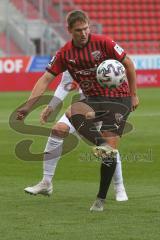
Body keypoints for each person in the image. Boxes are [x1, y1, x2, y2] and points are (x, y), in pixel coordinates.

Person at [17, 10, 139, 211]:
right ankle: (47, 181)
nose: (83, 33)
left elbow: (128, 64)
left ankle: (103, 197)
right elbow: (47, 79)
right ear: (69, 31)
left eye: (85, 28)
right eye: (78, 30)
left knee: (111, 146)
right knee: (70, 117)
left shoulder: (104, 43)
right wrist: (29, 105)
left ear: (89, 26)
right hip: (92, 99)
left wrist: (133, 94)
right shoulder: (65, 54)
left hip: (118, 98)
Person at [24, 70, 128, 202]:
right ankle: (46, 182)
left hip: (104, 106)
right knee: (58, 130)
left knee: (107, 145)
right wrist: (52, 106)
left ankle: (119, 187)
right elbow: (65, 84)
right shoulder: (71, 58)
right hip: (82, 106)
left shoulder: (103, 56)